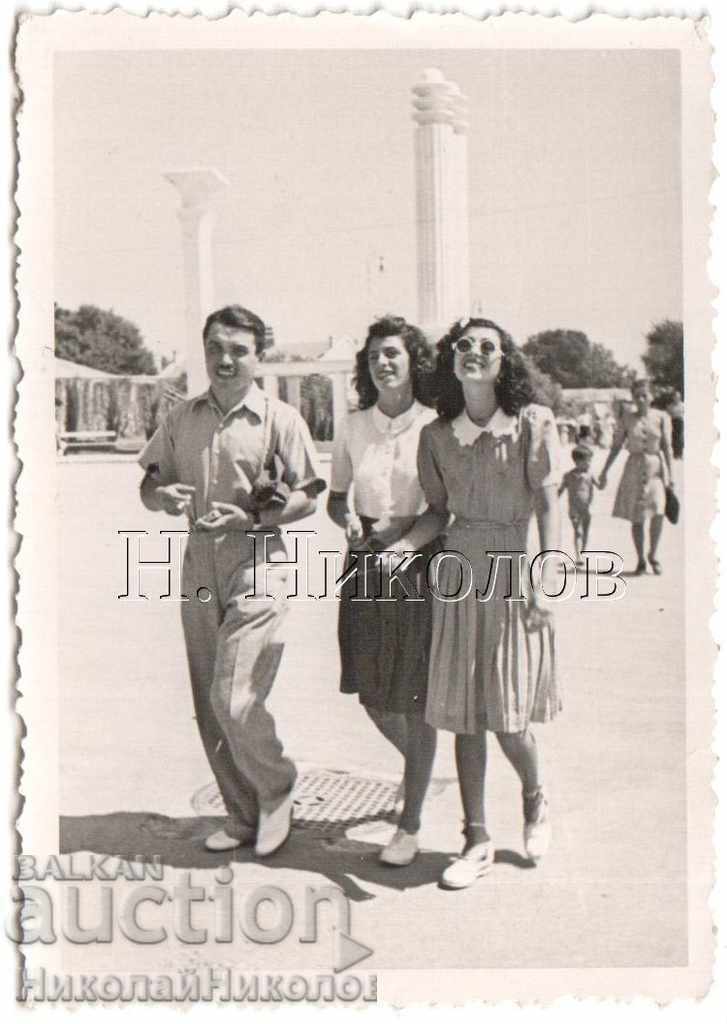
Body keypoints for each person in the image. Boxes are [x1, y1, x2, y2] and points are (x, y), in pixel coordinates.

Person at [139, 305, 325, 857]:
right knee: (207, 695)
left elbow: (308, 496)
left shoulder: (279, 419)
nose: (226, 359)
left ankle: (277, 787)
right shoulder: (182, 418)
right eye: (217, 348)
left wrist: (256, 518)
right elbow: (151, 485)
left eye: (239, 350)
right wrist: (159, 497)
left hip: (259, 560)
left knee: (234, 694)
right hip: (199, 564)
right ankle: (242, 814)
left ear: (258, 356)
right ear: (204, 349)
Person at [389, 316, 562, 889]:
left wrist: (548, 576)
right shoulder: (436, 436)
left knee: (509, 718)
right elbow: (437, 513)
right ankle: (477, 837)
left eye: (487, 346)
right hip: (457, 575)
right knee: (465, 716)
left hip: (513, 571)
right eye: (463, 345)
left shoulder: (532, 424)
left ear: (504, 360)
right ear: (451, 360)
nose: (474, 353)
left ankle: (535, 799)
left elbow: (547, 505)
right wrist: (400, 549)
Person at [327, 315, 444, 867]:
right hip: (364, 560)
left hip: (418, 562)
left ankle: (411, 820)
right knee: (373, 695)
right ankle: (417, 769)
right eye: (375, 355)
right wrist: (345, 519)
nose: (383, 363)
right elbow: (336, 495)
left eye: (393, 353)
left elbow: (443, 509)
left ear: (411, 361)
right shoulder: (352, 425)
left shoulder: (435, 425)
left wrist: (404, 541)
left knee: (414, 697)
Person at [598, 378, 674, 575]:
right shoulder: (626, 419)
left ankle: (653, 554)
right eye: (637, 396)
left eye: (644, 395)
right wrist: (604, 471)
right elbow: (616, 447)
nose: (641, 399)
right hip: (633, 467)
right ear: (633, 398)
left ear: (651, 397)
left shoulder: (662, 417)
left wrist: (671, 476)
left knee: (658, 511)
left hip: (655, 469)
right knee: (637, 516)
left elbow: (667, 448)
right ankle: (640, 559)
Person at [558, 444, 604, 565]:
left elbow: (600, 486)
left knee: (585, 531)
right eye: (587, 460)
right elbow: (560, 490)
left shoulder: (590, 474)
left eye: (590, 460)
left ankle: (583, 552)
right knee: (578, 531)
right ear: (577, 461)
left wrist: (604, 479)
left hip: (587, 509)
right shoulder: (568, 475)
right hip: (574, 508)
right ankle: (578, 556)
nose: (589, 463)